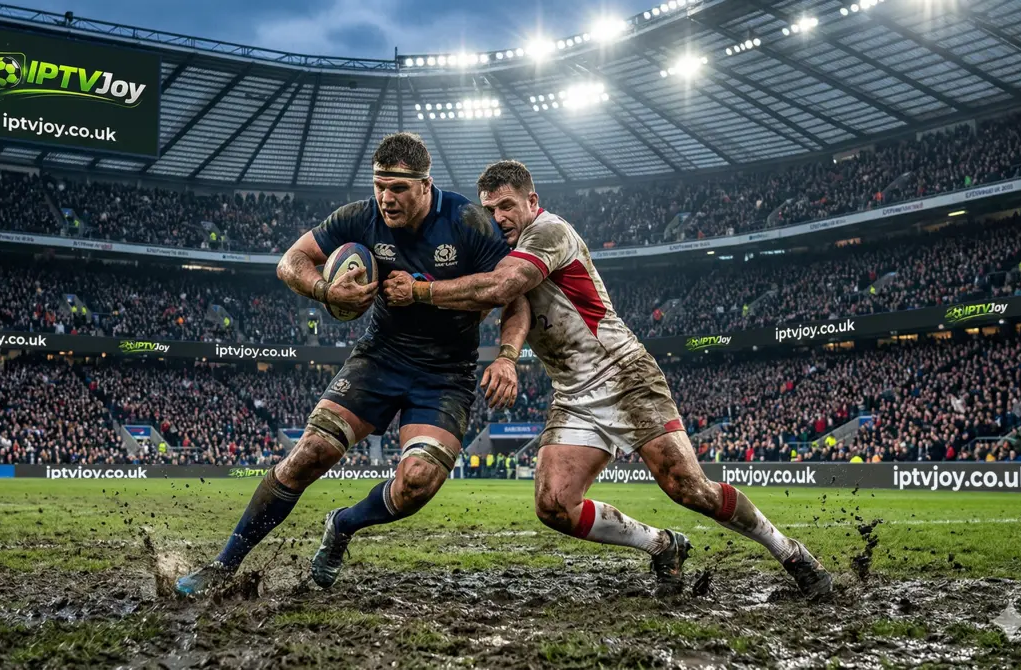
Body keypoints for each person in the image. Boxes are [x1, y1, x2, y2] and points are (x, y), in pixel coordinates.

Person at [382, 160, 832, 597]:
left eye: (505, 206)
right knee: (554, 505)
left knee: (687, 488)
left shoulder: (549, 231)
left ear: (531, 201)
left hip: (623, 374)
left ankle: (792, 553)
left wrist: (421, 291)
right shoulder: (502, 249)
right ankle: (662, 545)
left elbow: (503, 288)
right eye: (489, 210)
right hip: (573, 393)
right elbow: (504, 304)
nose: (497, 218)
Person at [176, 133, 528, 595]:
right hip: (379, 357)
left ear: (426, 185)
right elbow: (291, 260)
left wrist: (506, 357)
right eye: (380, 185)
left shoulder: (466, 220)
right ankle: (223, 566)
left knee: (417, 482)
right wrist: (325, 291)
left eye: (398, 188)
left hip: (445, 374)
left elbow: (513, 296)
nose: (386, 198)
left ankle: (342, 525)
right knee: (309, 454)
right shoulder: (360, 217)